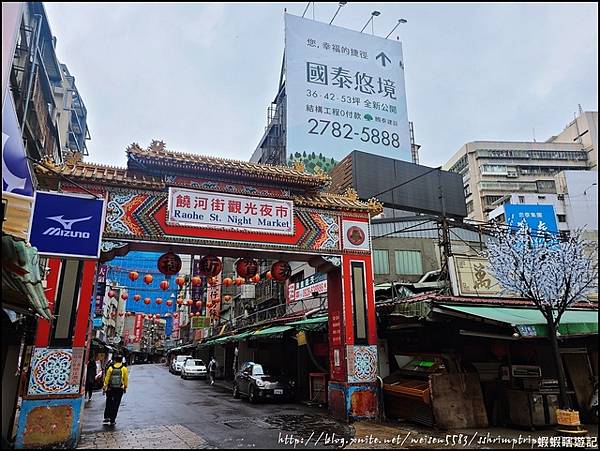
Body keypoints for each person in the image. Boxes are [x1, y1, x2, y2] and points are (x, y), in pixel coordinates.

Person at [103, 353, 128, 426]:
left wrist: (104, 387)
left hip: (110, 388)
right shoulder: (124, 368)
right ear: (121, 361)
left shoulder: (110, 368)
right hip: (119, 388)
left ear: (115, 360)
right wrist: (125, 387)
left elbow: (107, 378)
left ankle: (106, 417)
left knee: (109, 402)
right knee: (116, 404)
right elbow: (125, 379)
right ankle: (112, 420)